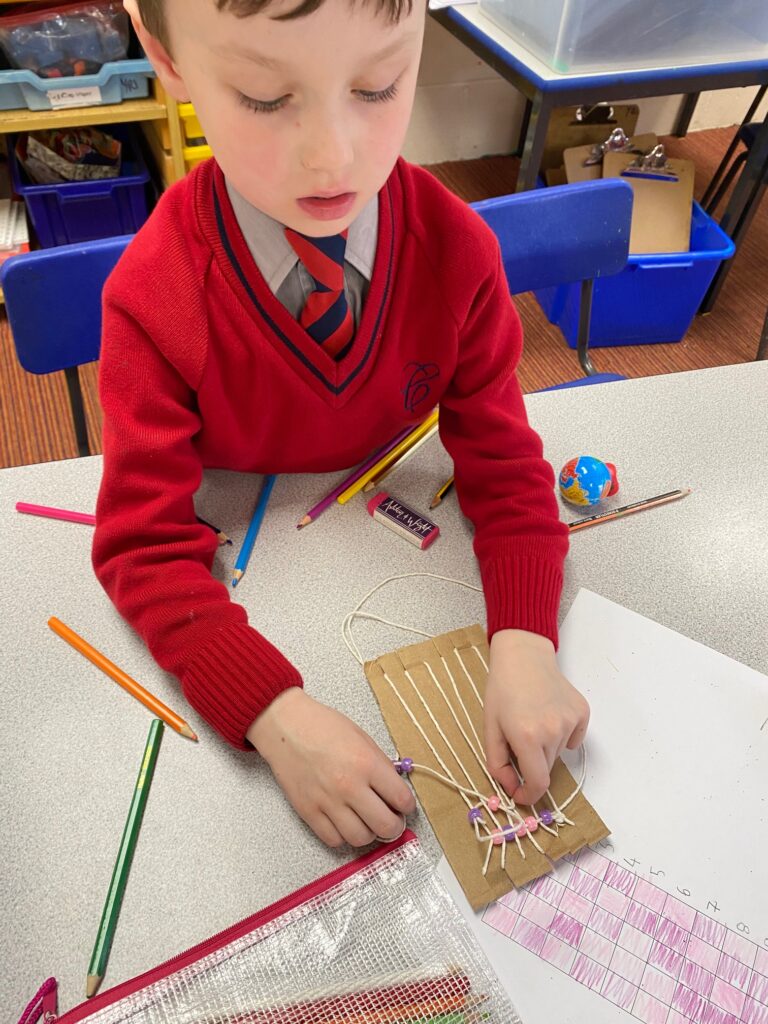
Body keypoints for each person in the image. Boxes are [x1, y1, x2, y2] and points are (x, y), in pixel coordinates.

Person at [93, 0, 590, 849]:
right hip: (259, 554)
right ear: (166, 56)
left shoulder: (455, 251)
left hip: (380, 542)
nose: (333, 156)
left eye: (378, 84)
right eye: (260, 96)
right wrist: (272, 715)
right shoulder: (157, 297)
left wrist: (524, 633)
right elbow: (140, 545)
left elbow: (504, 461)